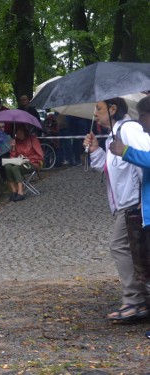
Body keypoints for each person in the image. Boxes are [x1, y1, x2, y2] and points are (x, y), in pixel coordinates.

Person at [84, 97, 150, 323]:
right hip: (124, 204)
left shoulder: (129, 128)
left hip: (135, 203)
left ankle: (135, 299)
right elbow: (109, 170)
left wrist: (142, 195)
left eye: (99, 108)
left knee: (119, 245)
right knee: (133, 251)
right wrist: (95, 150)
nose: (95, 113)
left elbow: (146, 154)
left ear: (113, 109)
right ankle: (138, 299)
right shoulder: (113, 135)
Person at [109, 94, 150, 338]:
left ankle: (136, 301)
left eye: (143, 118)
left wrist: (126, 152)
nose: (141, 124)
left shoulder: (132, 131)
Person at [4, 124, 43, 202]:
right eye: (17, 134)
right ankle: (14, 191)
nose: (19, 135)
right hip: (20, 162)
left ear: (25, 132)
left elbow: (40, 155)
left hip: (33, 163)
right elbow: (12, 157)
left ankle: (20, 192)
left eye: (20, 133)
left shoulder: (32, 139)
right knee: (7, 166)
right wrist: (13, 147)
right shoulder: (16, 141)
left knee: (15, 168)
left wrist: (27, 159)